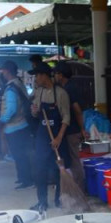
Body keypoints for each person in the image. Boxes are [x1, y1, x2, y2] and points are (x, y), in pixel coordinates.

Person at [29, 62, 71, 210]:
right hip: (42, 135)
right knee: (39, 168)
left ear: (44, 75)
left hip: (57, 135)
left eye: (37, 76)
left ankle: (59, 199)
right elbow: (35, 113)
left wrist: (59, 138)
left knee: (58, 169)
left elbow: (66, 117)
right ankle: (42, 201)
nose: (36, 79)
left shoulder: (60, 93)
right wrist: (34, 111)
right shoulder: (38, 92)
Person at [0, 60, 34, 192]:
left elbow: (12, 109)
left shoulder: (11, 88)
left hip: (15, 127)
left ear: (7, 71)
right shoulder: (19, 83)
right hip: (22, 125)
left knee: (19, 156)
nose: (1, 74)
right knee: (22, 155)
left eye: (2, 71)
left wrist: (2, 120)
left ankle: (26, 180)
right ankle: (23, 178)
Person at [52, 61, 86, 190]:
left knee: (74, 160)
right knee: (71, 159)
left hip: (72, 130)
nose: (54, 76)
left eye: (56, 73)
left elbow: (77, 110)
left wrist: (82, 129)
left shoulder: (69, 89)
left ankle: (80, 188)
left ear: (61, 75)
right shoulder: (64, 88)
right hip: (69, 130)